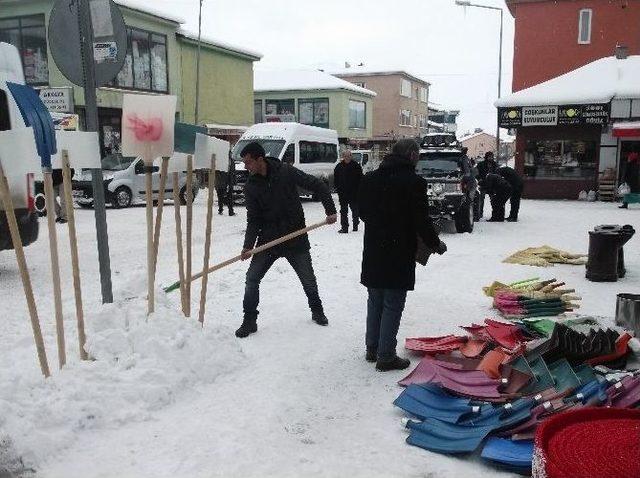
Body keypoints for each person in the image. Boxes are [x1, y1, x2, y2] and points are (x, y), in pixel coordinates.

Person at [359, 139, 447, 371]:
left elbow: (362, 213)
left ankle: (372, 348)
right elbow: (421, 220)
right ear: (410, 155)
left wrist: (382, 223)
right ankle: (386, 356)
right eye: (417, 154)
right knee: (392, 302)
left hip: (374, 249)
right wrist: (434, 243)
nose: (418, 158)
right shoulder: (414, 182)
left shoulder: (370, 180)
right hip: (398, 251)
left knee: (375, 299)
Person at [235, 142, 338, 338]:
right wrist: (248, 246)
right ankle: (249, 321)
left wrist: (331, 211)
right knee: (252, 279)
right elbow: (253, 219)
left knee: (308, 279)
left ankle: (317, 311)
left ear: (260, 159)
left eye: (248, 162)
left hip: (295, 238)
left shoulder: (285, 171)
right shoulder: (251, 186)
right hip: (268, 241)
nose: (246, 167)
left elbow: (317, 185)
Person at [334, 148, 363, 233]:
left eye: (348, 156)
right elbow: (336, 179)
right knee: (343, 211)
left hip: (354, 193)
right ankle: (344, 227)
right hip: (342, 193)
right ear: (343, 157)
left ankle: (355, 225)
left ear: (351, 156)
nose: (347, 157)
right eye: (345, 156)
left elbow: (361, 179)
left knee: (355, 210)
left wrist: (359, 190)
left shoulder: (356, 166)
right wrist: (337, 188)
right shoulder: (339, 166)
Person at [475, 151, 498, 219]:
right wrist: (479, 179)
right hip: (483, 184)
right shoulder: (481, 164)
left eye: (491, 156)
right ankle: (480, 214)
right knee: (481, 200)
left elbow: (497, 173)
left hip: (492, 184)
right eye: (489, 156)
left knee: (493, 200)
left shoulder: (495, 164)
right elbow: (477, 173)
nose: (490, 158)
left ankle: (495, 214)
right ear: (486, 157)